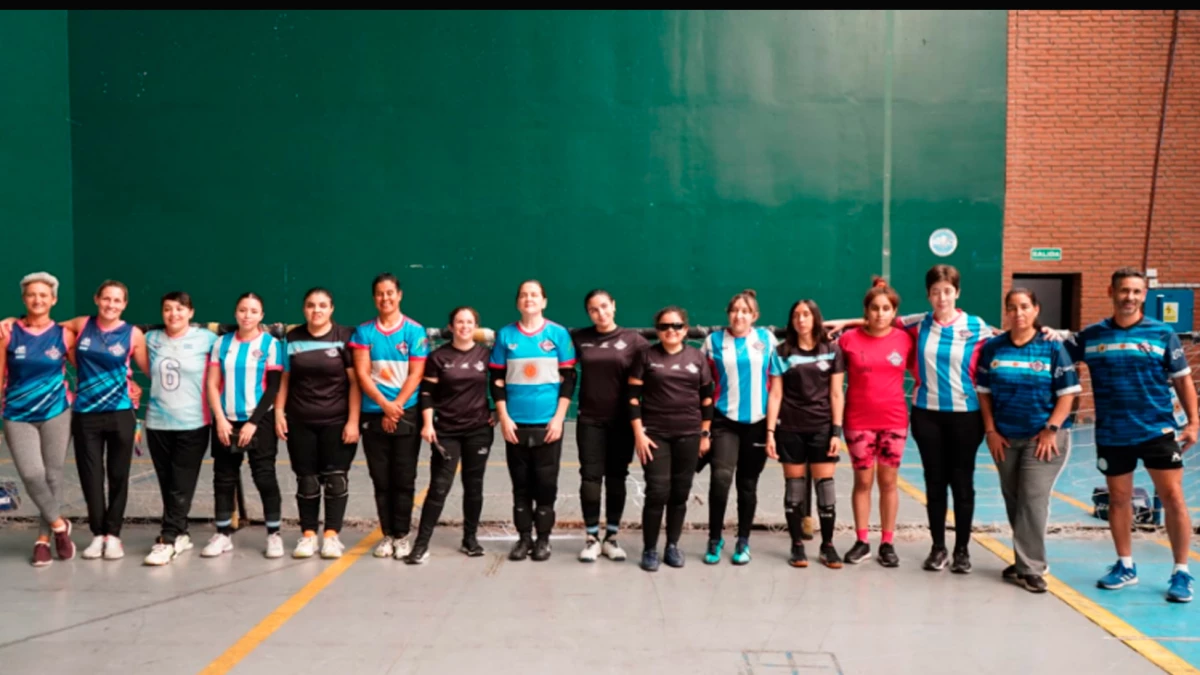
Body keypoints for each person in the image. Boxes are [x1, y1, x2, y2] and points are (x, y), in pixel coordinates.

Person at [1062, 267, 1197, 603]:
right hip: (1112, 432)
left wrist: (1193, 422)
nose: (1129, 297)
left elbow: (1182, 380)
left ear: (1144, 295)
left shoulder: (1162, 334)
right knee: (1119, 499)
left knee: (1173, 498)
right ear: (1111, 292)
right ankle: (1126, 566)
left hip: (1157, 430)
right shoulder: (1091, 336)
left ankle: (1182, 571)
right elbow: (1055, 349)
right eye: (1124, 290)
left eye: (1136, 292)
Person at [975, 288, 1081, 593]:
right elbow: (984, 392)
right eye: (1012, 308)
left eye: (1024, 307)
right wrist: (991, 431)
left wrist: (1050, 429)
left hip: (1044, 438)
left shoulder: (1051, 347)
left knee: (1032, 499)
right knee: (1015, 500)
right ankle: (1024, 560)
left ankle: (1032, 568)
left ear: (1036, 309)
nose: (1018, 313)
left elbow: (1069, 394)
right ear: (1006, 312)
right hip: (1005, 439)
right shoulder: (994, 347)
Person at [490, 280, 577, 562]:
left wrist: (559, 418)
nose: (529, 299)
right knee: (521, 485)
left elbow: (569, 379)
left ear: (544, 301)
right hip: (515, 424)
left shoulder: (558, 334)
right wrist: (503, 417)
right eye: (524, 295)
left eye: (535, 295)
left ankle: (543, 540)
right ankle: (524, 538)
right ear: (518, 302)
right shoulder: (506, 336)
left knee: (546, 484)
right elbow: (497, 381)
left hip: (548, 423)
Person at [65, 281, 149, 561]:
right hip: (85, 414)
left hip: (120, 413)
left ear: (124, 304)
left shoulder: (133, 334)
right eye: (106, 299)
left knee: (118, 475)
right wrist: (11, 322)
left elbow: (149, 370)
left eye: (117, 300)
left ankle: (113, 536)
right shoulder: (80, 324)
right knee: (91, 476)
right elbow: (44, 328)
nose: (111, 305)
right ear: (96, 299)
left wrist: (134, 385)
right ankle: (97, 534)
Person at [276, 288, 360, 560]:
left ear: (332, 309)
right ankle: (308, 535)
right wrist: (279, 412)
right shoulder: (293, 338)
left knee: (336, 480)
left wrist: (353, 421)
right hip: (300, 421)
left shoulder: (344, 337)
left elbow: (355, 383)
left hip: (336, 421)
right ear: (304, 309)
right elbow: (285, 379)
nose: (317, 310)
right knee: (307, 482)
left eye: (323, 305)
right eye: (311, 306)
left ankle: (332, 536)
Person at [350, 273, 429, 560]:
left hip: (406, 411)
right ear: (374, 298)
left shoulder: (414, 331)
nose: (385, 298)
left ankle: (402, 535)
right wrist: (384, 404)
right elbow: (361, 373)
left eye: (390, 293)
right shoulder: (364, 332)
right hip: (374, 411)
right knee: (380, 478)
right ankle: (386, 535)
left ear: (399, 295)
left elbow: (417, 373)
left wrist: (396, 406)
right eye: (380, 294)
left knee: (404, 478)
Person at [0, 272, 77, 566]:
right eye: (32, 294)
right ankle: (60, 525)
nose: (38, 299)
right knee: (32, 474)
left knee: (53, 476)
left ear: (54, 300)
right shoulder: (7, 332)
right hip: (17, 414)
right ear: (23, 298)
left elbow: (85, 368)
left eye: (44, 295)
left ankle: (44, 539)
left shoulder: (63, 333)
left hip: (56, 412)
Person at [698, 289, 780, 565]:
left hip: (757, 423)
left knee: (747, 484)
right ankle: (714, 537)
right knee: (720, 479)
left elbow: (777, 380)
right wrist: (703, 428)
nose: (739, 315)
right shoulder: (713, 342)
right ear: (728, 314)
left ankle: (743, 540)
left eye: (745, 311)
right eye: (735, 310)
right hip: (724, 421)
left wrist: (772, 429)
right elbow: (702, 384)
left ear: (754, 316)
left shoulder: (767, 339)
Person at [629, 306, 713, 571]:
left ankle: (672, 546)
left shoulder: (697, 358)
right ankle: (650, 549)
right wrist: (639, 433)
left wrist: (705, 434)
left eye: (676, 326)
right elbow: (632, 399)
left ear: (685, 329)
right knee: (657, 491)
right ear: (658, 330)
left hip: (689, 434)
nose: (670, 331)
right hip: (654, 436)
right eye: (664, 326)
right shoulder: (646, 357)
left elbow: (707, 399)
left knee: (679, 493)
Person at [203, 292, 285, 559]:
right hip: (226, 420)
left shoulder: (271, 344)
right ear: (236, 313)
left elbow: (273, 388)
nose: (247, 315)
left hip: (258, 420)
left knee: (264, 476)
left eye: (253, 311)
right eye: (242, 310)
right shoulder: (222, 344)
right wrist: (220, 419)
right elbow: (213, 384)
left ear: (261, 315)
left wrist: (253, 422)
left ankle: (274, 535)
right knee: (223, 478)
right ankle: (223, 534)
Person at [838, 277, 913, 567]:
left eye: (886, 308)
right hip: (858, 422)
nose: (880, 313)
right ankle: (862, 541)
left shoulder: (905, 340)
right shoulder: (848, 340)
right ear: (866, 311)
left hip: (894, 421)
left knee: (888, 482)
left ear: (894, 313)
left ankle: (887, 543)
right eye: (874, 308)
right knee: (863, 482)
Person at [765, 299, 846, 569]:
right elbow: (775, 394)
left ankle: (828, 546)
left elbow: (836, 394)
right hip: (790, 428)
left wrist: (836, 432)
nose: (801, 320)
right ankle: (797, 544)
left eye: (807, 314)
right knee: (795, 489)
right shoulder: (781, 352)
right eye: (796, 315)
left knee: (825, 489)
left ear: (816, 318)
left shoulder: (832, 350)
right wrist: (770, 432)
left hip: (822, 428)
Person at [410, 306, 495, 563]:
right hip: (446, 431)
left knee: (474, 487)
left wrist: (498, 413)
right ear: (451, 326)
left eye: (469, 322)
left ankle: (470, 539)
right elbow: (426, 394)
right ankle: (421, 544)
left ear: (475, 326)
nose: (464, 326)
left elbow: (501, 384)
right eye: (460, 322)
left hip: (478, 431)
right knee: (438, 487)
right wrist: (428, 424)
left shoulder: (485, 354)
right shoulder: (438, 357)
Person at [142, 292, 219, 566]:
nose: (173, 314)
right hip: (157, 423)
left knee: (181, 484)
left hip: (193, 424)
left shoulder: (207, 340)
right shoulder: (150, 339)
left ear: (191, 312)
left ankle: (168, 538)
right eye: (167, 309)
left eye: (180, 309)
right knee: (166, 482)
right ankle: (182, 532)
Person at [571, 289, 648, 562]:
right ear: (588, 313)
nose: (600, 313)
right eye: (594, 309)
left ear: (614, 306)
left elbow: (650, 379)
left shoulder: (635, 341)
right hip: (590, 420)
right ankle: (592, 537)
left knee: (617, 478)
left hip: (622, 423)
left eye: (604, 306)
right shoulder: (580, 338)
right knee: (590, 478)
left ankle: (611, 537)